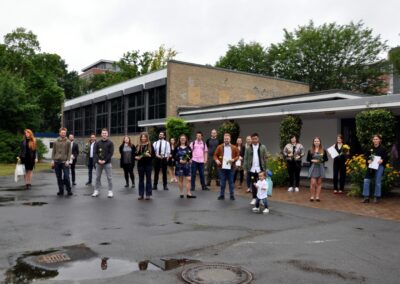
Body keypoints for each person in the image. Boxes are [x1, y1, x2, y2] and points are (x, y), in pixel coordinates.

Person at [243, 133, 268, 205]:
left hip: (260, 170)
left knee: (262, 185)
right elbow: (245, 158)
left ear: (258, 139)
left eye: (255, 138)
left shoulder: (263, 147)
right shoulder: (248, 148)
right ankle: (254, 198)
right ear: (251, 139)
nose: (254, 140)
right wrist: (245, 169)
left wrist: (266, 169)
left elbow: (265, 158)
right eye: (253, 139)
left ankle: (262, 199)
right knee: (254, 184)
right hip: (252, 170)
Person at [361, 134, 387, 204]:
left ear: (379, 140)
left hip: (379, 166)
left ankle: (376, 197)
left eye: (376, 139)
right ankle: (366, 197)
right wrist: (368, 160)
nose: (375, 140)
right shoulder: (370, 148)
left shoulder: (383, 149)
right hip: (371, 166)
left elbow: (386, 158)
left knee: (377, 181)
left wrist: (382, 160)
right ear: (372, 140)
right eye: (374, 139)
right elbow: (366, 156)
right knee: (366, 180)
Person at [214, 133, 239, 200]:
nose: (226, 140)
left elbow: (238, 156)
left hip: (231, 167)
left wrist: (233, 159)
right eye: (225, 139)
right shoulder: (219, 147)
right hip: (222, 168)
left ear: (230, 139)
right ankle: (222, 195)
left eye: (227, 139)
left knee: (231, 182)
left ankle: (232, 195)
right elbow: (215, 155)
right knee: (222, 182)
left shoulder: (234, 147)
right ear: (223, 139)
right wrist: (216, 160)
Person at [92, 128, 114, 198]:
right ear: (101, 134)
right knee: (97, 177)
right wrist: (98, 160)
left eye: (105, 133)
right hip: (98, 163)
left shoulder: (110, 143)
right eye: (103, 133)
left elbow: (111, 153)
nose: (104, 134)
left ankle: (110, 191)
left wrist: (105, 160)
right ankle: (96, 190)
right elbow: (95, 153)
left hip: (107, 163)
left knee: (109, 178)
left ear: (107, 134)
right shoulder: (97, 143)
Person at [51, 127, 72, 196]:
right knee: (59, 177)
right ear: (60, 133)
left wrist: (68, 160)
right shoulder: (55, 141)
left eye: (64, 133)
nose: (63, 134)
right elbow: (53, 151)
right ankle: (61, 190)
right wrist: (52, 160)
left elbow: (69, 152)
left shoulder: (68, 141)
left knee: (66, 176)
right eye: (62, 133)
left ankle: (69, 190)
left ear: (66, 133)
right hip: (57, 162)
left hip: (65, 162)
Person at [307, 137, 328, 202]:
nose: (316, 142)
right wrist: (312, 160)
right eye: (315, 141)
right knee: (313, 183)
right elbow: (308, 159)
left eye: (318, 141)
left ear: (320, 142)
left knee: (319, 183)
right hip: (313, 167)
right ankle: (312, 196)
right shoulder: (310, 150)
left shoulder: (323, 150)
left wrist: (321, 160)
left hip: (320, 167)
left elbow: (326, 159)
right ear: (313, 142)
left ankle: (317, 196)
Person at [175, 134, 196, 199]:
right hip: (179, 165)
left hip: (187, 165)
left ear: (186, 139)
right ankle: (181, 193)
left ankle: (188, 193)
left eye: (184, 138)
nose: (183, 140)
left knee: (189, 179)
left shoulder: (188, 147)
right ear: (180, 139)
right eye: (181, 139)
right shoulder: (177, 147)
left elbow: (191, 155)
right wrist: (179, 160)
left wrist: (189, 160)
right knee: (180, 179)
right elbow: (174, 156)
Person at [135, 132, 155, 200]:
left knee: (148, 179)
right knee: (141, 180)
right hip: (140, 165)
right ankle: (141, 194)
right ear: (140, 137)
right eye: (142, 137)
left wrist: (149, 155)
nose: (143, 138)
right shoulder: (138, 145)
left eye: (144, 137)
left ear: (147, 137)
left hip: (148, 165)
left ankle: (148, 194)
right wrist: (136, 157)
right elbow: (134, 155)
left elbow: (153, 155)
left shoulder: (150, 145)